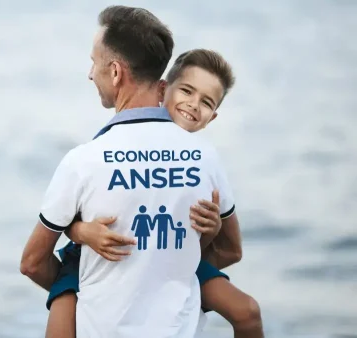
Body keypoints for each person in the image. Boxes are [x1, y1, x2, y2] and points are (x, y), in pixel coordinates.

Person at [20, 6, 240, 337]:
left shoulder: (84, 161)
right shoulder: (205, 157)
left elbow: (33, 263)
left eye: (94, 63)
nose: (90, 73)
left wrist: (88, 289)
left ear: (116, 72)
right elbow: (228, 250)